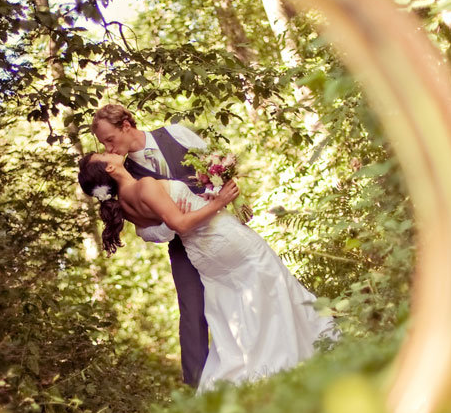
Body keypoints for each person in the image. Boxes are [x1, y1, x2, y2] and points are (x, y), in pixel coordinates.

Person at [77, 151, 338, 393]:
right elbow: (178, 223)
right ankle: (298, 354)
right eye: (105, 153)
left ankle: (261, 368)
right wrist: (220, 202)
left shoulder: (124, 204)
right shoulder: (143, 185)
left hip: (203, 255)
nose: (110, 150)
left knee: (237, 308)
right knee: (273, 285)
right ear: (110, 167)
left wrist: (202, 201)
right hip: (220, 237)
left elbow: (169, 223)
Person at [91, 104, 210, 387]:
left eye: (110, 139)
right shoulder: (122, 175)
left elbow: (217, 168)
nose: (108, 148)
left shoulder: (176, 134)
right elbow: (146, 231)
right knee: (192, 313)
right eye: (103, 144)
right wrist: (174, 221)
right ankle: (198, 388)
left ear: (127, 126)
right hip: (183, 247)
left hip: (221, 229)